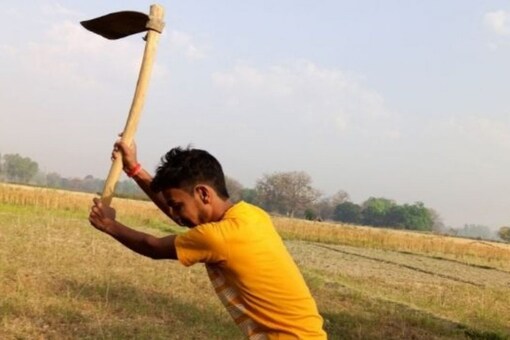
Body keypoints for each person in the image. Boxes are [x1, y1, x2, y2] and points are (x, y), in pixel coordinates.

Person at [89, 141, 327, 339]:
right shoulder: (250, 215)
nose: (174, 214)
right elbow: (184, 218)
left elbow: (153, 247)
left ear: (203, 193)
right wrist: (134, 169)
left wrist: (109, 225)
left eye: (177, 206)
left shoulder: (217, 238)